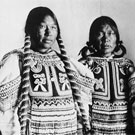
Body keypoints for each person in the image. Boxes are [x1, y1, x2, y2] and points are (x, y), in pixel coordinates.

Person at [0, 7, 95, 135]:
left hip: (67, 130)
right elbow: (6, 112)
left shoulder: (66, 62)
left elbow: (81, 104)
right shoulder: (17, 60)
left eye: (53, 27)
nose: (48, 32)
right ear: (31, 29)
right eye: (43, 27)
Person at [78, 16, 135, 134]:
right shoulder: (85, 64)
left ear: (117, 38)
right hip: (95, 126)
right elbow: (80, 99)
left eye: (111, 33)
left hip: (123, 127)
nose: (106, 39)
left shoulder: (127, 65)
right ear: (92, 38)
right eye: (100, 34)